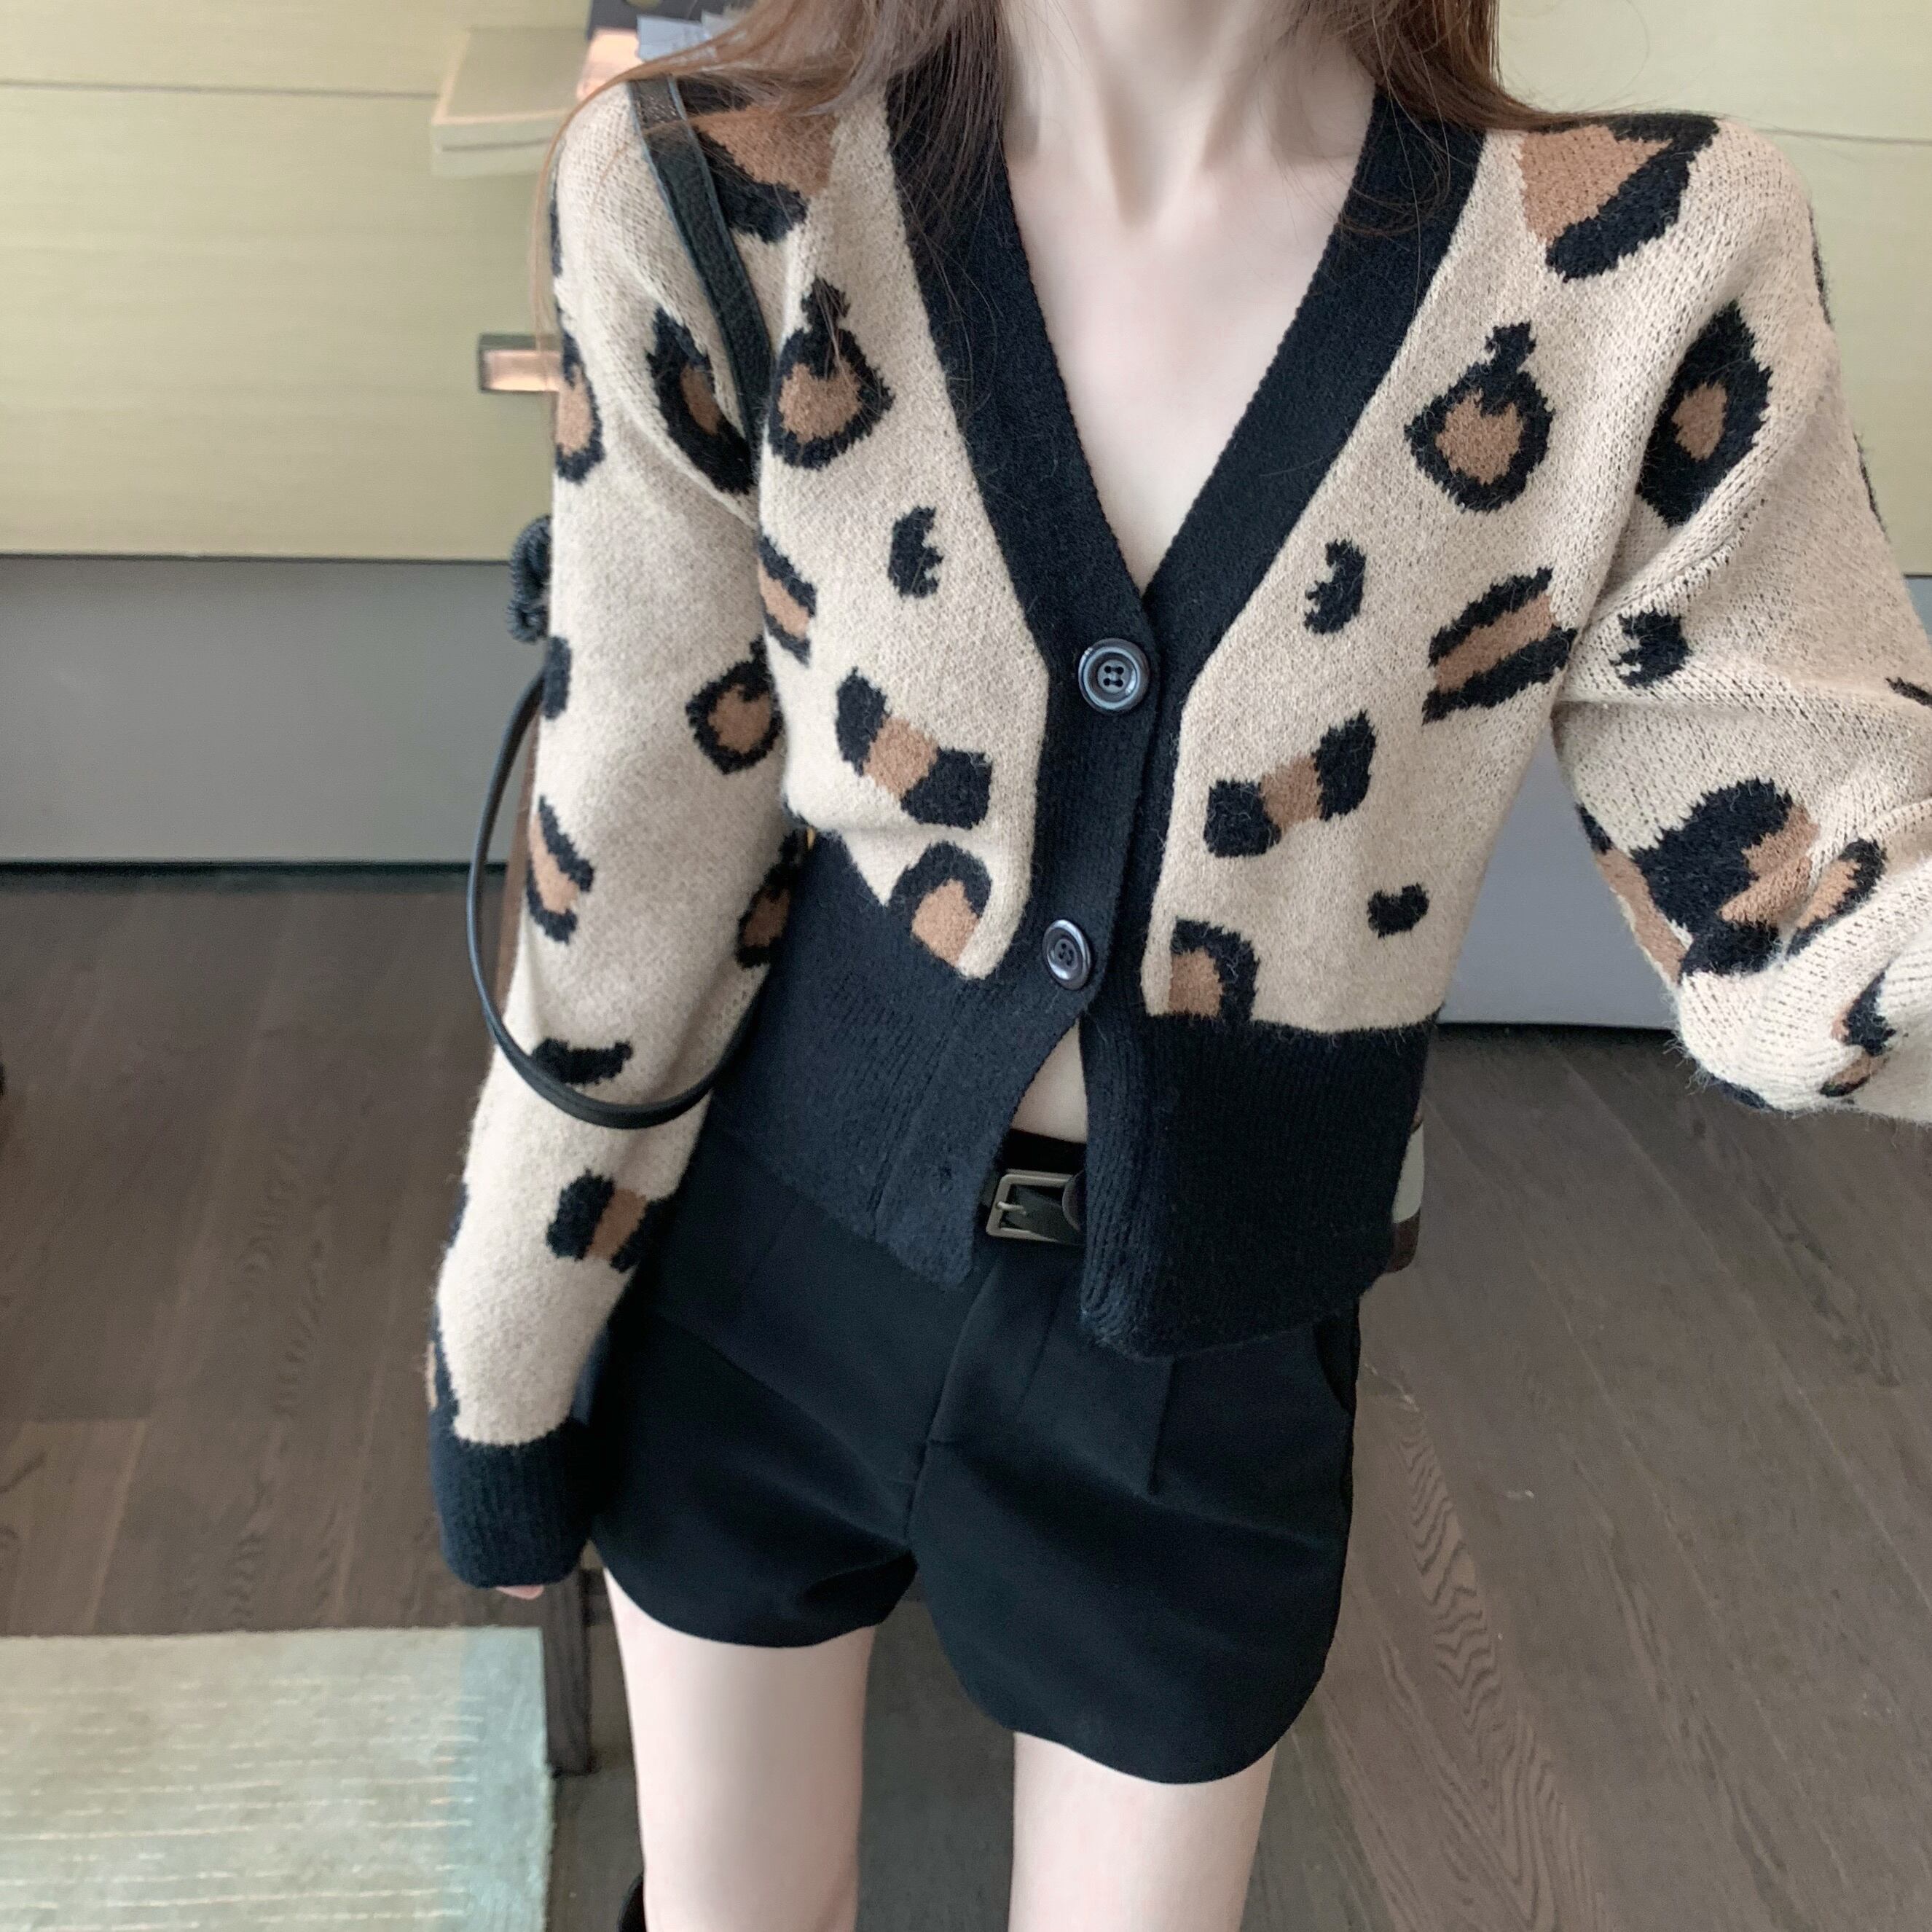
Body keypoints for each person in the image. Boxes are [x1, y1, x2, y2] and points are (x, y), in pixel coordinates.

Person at [424, 0, 1932, 1923]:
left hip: (1207, 1350)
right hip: (762, 1280)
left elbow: (1816, 888)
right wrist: (506, 1363)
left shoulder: (1632, 262)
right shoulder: (716, 192)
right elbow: (630, 852)